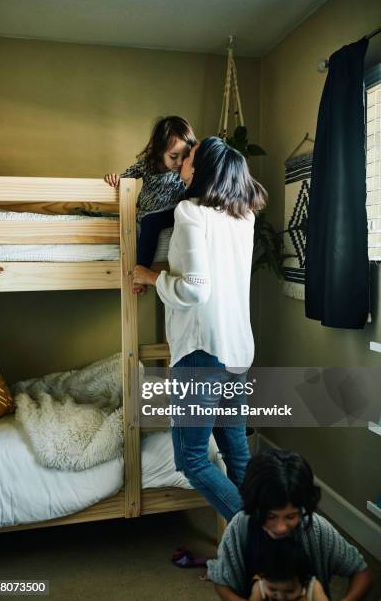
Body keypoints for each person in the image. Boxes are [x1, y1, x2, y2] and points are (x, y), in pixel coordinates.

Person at [133, 136, 267, 521]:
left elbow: (193, 288)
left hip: (202, 350)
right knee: (236, 451)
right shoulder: (244, 217)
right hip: (238, 349)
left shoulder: (190, 211)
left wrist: (149, 275)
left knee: (192, 460)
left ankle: (254, 536)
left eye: (188, 158)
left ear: (201, 168)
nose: (182, 164)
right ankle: (259, 552)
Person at [207, 449, 373, 601]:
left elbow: (361, 573)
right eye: (270, 516)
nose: (280, 527)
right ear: (255, 507)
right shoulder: (240, 527)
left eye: (291, 516)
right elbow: (222, 582)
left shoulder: (316, 528)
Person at [104, 115, 196, 282]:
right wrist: (114, 178)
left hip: (172, 212)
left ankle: (142, 270)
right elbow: (125, 178)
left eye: (185, 156)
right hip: (148, 212)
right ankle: (141, 271)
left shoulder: (185, 169)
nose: (180, 162)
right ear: (160, 151)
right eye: (174, 156)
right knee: (145, 221)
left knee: (156, 221)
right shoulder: (147, 165)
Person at [247, 537, 328, 601]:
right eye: (272, 589)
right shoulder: (260, 586)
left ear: (305, 581)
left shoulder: (312, 588)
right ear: (262, 577)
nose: (280, 597)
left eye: (290, 591)